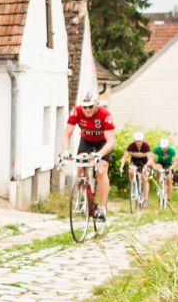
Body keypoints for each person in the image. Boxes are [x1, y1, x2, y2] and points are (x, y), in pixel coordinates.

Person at [63, 90, 115, 220]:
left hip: (102, 143)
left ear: (96, 105)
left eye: (90, 106)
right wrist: (66, 150)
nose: (87, 110)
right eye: (84, 107)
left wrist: (100, 154)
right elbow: (67, 133)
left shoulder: (104, 114)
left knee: (101, 171)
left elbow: (111, 141)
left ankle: (102, 209)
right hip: (86, 140)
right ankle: (83, 197)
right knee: (80, 167)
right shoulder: (76, 111)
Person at [124, 130, 153, 206]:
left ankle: (145, 199)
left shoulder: (146, 146)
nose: (138, 143)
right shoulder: (131, 146)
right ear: (134, 140)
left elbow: (150, 159)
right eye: (137, 141)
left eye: (140, 141)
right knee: (130, 171)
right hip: (134, 163)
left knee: (144, 178)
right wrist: (122, 164)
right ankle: (133, 185)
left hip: (144, 164)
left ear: (143, 140)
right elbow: (125, 156)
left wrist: (146, 166)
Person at [152, 137, 178, 202]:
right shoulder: (157, 149)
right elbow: (152, 159)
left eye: (165, 147)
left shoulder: (172, 150)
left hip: (168, 165)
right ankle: (158, 185)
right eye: (162, 147)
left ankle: (169, 198)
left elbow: (175, 162)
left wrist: (171, 168)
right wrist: (154, 166)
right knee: (158, 168)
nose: (163, 149)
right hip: (160, 163)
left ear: (167, 146)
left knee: (169, 180)